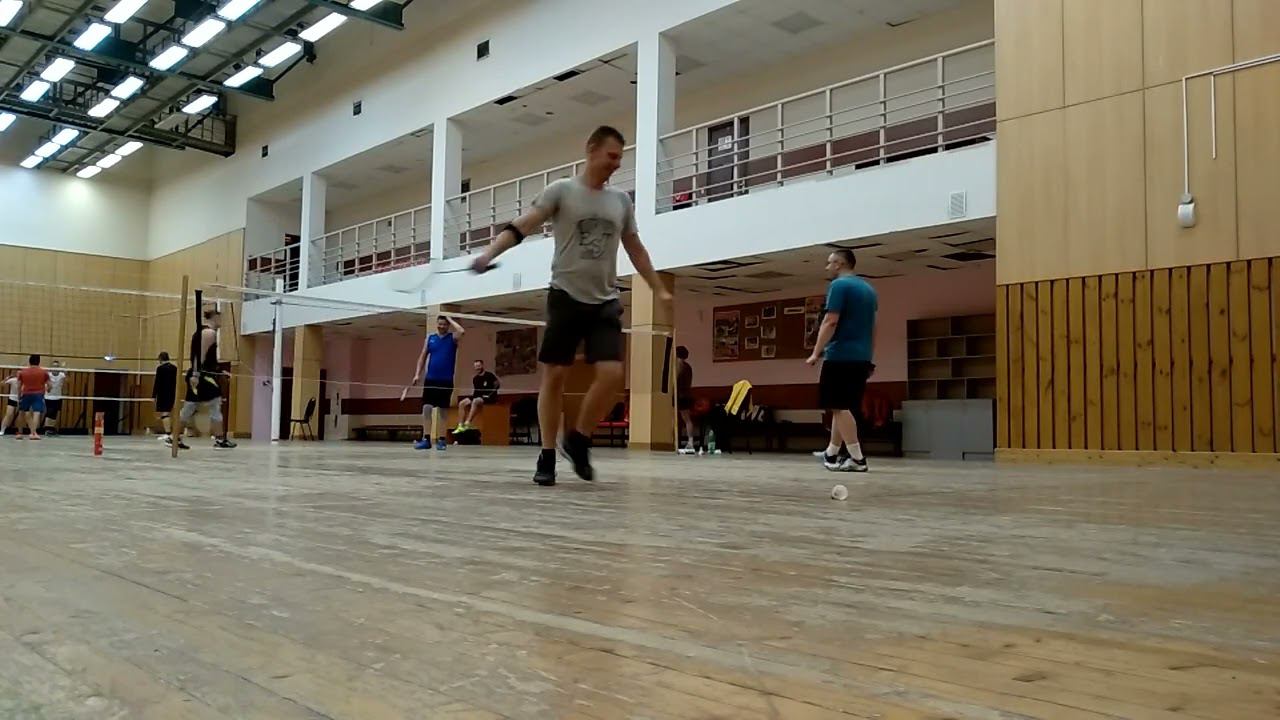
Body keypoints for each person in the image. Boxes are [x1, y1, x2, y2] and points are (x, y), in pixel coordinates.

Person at [471, 125, 671, 486]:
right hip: (565, 296)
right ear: (591, 150)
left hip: (604, 300)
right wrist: (488, 254)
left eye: (620, 158)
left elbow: (636, 248)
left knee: (612, 375)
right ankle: (547, 454)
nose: (616, 164)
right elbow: (523, 225)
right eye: (611, 156)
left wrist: (658, 287)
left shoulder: (621, 202)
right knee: (555, 376)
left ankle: (577, 439)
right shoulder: (561, 191)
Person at [806, 249, 877, 472]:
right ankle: (832, 452)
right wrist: (869, 356)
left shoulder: (838, 286)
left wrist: (816, 352)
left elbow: (830, 321)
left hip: (841, 355)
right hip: (861, 357)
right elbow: (873, 327)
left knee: (838, 405)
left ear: (839, 264)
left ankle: (857, 458)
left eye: (830, 263)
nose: (827, 267)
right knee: (842, 405)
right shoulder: (868, 289)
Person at [171, 308, 236, 451]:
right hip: (202, 376)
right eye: (220, 318)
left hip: (202, 374)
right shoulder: (209, 333)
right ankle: (219, 439)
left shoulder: (203, 332)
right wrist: (196, 374)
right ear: (214, 318)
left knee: (190, 407)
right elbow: (199, 355)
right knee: (215, 402)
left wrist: (219, 371)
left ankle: (174, 437)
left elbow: (207, 358)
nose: (222, 321)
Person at [411, 315, 464, 450]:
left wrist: (449, 318)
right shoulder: (430, 338)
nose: (441, 326)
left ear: (448, 325)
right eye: (440, 324)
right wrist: (417, 374)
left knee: (443, 410)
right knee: (427, 408)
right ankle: (426, 439)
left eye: (444, 324)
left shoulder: (452, 338)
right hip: (431, 379)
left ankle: (441, 440)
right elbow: (422, 357)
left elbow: (461, 331)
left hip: (446, 380)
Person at [456, 359, 500, 432]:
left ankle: (468, 423)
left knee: (475, 401)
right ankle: (460, 425)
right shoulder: (475, 378)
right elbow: (476, 391)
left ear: (482, 365)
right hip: (478, 396)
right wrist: (471, 399)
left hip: (489, 397)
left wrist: (490, 395)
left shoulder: (489, 375)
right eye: (476, 366)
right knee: (462, 403)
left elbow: (497, 385)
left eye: (479, 366)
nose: (477, 368)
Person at [15, 354, 50, 440]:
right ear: (39, 362)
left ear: (29, 361)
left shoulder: (22, 372)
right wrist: (48, 390)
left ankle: (19, 433)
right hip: (38, 395)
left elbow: (19, 386)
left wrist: (19, 396)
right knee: (36, 413)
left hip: (26, 394)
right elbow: (50, 385)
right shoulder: (44, 372)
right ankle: (33, 434)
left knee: (21, 412)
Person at [153, 351, 177, 442]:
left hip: (162, 393)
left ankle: (168, 434)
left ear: (160, 359)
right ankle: (169, 433)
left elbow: (157, 382)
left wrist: (153, 395)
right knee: (167, 413)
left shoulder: (160, 368)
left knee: (165, 414)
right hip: (172, 393)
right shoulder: (174, 368)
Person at [676, 346, 696, 453]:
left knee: (678, 419)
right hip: (687, 394)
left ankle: (674, 441)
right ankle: (690, 441)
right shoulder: (688, 367)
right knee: (687, 419)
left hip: (680, 395)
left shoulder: (678, 366)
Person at [41, 360, 66, 436]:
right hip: (48, 397)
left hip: (58, 397)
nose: (55, 368)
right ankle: (47, 429)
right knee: (49, 413)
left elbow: (67, 380)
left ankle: (51, 429)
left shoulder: (62, 375)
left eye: (57, 366)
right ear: (51, 368)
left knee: (54, 414)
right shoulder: (48, 375)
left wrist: (66, 372)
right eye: (54, 366)